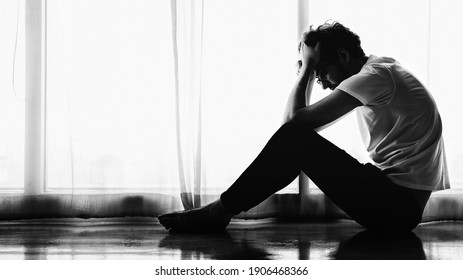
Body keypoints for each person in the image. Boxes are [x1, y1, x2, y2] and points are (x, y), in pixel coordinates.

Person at [158, 21, 449, 233]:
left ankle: (220, 211)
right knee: (296, 139)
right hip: (396, 204)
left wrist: (307, 70)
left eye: (322, 72)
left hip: (397, 208)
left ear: (344, 56)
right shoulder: (383, 71)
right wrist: (311, 68)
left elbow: (292, 125)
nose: (322, 84)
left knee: (296, 139)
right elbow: (294, 126)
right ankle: (222, 210)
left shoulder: (376, 76)